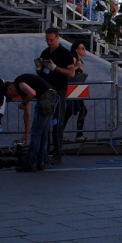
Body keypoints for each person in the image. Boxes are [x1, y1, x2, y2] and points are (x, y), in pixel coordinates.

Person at [36, 28, 75, 163]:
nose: (49, 42)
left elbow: (71, 73)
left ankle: (57, 153)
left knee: (57, 122)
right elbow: (42, 74)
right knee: (44, 122)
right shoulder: (45, 52)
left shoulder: (65, 53)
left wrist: (55, 68)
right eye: (47, 39)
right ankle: (44, 152)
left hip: (59, 91)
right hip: (46, 90)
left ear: (57, 38)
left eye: (51, 40)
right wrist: (39, 68)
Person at [4, 73, 56, 172]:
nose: (14, 96)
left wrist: (23, 103)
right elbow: (27, 113)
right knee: (44, 133)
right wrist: (26, 134)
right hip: (51, 96)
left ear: (10, 88)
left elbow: (32, 93)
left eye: (11, 94)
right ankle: (40, 163)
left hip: (45, 99)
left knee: (36, 134)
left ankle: (31, 163)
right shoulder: (24, 89)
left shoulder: (18, 81)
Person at [63, 41, 88, 142]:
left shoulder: (79, 61)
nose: (84, 50)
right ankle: (79, 135)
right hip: (72, 90)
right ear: (76, 50)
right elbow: (69, 73)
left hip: (77, 90)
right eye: (82, 48)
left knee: (69, 112)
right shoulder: (73, 60)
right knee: (81, 110)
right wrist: (77, 66)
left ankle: (60, 133)